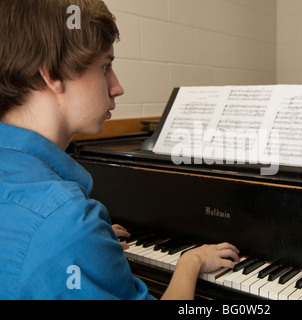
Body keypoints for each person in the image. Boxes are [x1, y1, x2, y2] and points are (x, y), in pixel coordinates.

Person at [0, 0, 240, 300]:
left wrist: (92, 246)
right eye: (105, 66)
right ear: (52, 74)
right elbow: (56, 237)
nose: (117, 87)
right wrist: (190, 261)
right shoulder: (67, 224)